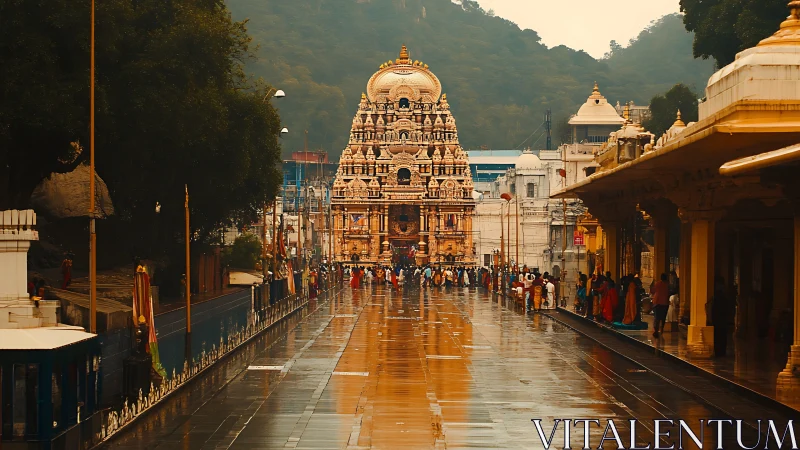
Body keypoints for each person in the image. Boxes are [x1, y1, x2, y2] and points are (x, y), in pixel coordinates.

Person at [711, 276, 730, 357]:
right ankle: (721, 351)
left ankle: (720, 351)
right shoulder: (721, 296)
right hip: (721, 319)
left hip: (719, 319)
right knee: (721, 336)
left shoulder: (718, 296)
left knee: (719, 336)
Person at [651, 273, 670, 337]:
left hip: (657, 302)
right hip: (665, 303)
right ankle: (661, 329)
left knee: (657, 317)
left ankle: (656, 330)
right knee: (663, 317)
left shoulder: (657, 284)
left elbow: (652, 290)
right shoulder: (667, 285)